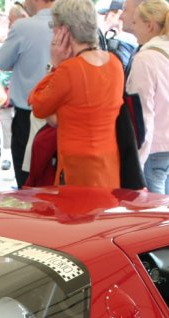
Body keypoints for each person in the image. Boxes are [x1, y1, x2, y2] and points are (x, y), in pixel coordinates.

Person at [29, 0, 124, 187]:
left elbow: (38, 106)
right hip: (108, 166)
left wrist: (54, 65)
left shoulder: (69, 70)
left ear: (64, 30)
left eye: (53, 26)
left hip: (77, 169)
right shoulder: (115, 63)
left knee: (75, 214)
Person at [125, 0, 169, 195]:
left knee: (154, 216)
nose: (133, 29)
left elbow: (143, 112)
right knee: (167, 214)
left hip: (154, 149)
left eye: (135, 23)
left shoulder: (145, 58)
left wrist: (137, 159)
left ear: (149, 25)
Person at [0, 0, 54, 189]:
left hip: (28, 116)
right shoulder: (70, 24)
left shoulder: (23, 27)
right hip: (62, 116)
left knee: (27, 184)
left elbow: (2, 62)